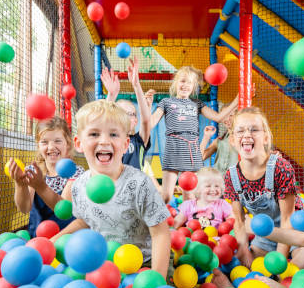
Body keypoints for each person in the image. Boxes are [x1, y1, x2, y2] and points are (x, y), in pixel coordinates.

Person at [51, 100, 171, 278]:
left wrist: (156, 279)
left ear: (125, 144)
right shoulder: (79, 186)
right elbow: (84, 220)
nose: (104, 141)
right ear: (79, 143)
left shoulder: (139, 183)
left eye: (113, 134)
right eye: (94, 134)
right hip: (103, 263)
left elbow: (160, 233)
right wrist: (53, 240)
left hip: (144, 262)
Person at [149, 66, 238, 203]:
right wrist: (147, 106)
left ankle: (187, 223)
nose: (185, 85)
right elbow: (151, 122)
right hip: (173, 150)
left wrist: (237, 101)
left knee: (190, 196)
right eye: (182, 81)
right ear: (176, 83)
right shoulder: (166, 102)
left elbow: (219, 117)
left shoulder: (197, 104)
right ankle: (153, 217)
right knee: (166, 195)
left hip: (191, 152)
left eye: (189, 83)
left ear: (194, 87)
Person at [223, 107, 299, 263]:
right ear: (232, 140)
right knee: (250, 269)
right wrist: (244, 248)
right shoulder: (231, 176)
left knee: (300, 265)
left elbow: (287, 218)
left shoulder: (281, 168)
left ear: (265, 137)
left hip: (294, 233)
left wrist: (279, 260)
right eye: (240, 131)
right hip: (265, 236)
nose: (247, 135)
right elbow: (239, 220)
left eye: (254, 130)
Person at [7, 117, 84, 237]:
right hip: (38, 239)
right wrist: (20, 184)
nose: (51, 147)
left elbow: (63, 211)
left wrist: (41, 186)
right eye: (45, 142)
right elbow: (24, 208)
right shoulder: (33, 171)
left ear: (68, 144)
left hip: (65, 239)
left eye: (57, 141)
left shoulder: (75, 172)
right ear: (38, 145)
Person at [101, 56, 156, 170]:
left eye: (129, 114)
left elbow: (146, 120)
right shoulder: (110, 138)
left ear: (135, 121)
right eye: (120, 113)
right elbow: (103, 123)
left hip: (133, 186)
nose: (124, 117)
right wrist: (111, 95)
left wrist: (136, 85)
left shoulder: (138, 141)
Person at [200, 103, 239, 175]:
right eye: (225, 116)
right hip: (219, 181)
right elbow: (200, 157)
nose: (227, 119)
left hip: (235, 181)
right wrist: (206, 137)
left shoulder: (243, 139)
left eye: (231, 115)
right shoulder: (220, 141)